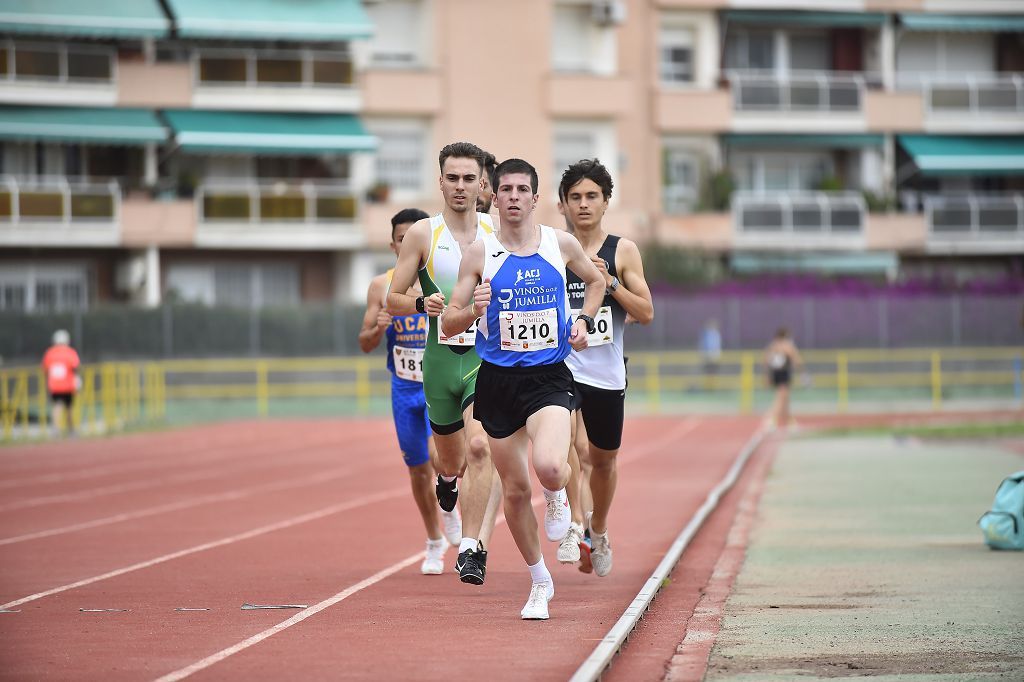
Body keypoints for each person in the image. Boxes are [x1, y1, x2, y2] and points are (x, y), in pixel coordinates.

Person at [442, 157, 605, 620]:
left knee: (551, 466)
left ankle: (556, 495)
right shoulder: (479, 253)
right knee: (514, 490)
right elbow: (449, 321)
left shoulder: (561, 243)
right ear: (493, 198)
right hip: (497, 382)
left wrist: (583, 320)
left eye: (522, 190)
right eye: (505, 189)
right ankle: (539, 581)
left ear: (535, 198)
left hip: (548, 377)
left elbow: (595, 283)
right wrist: (472, 311)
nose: (513, 196)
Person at [386, 142, 503, 586]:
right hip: (438, 363)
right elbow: (392, 300)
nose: (460, 187)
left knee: (480, 447)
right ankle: (449, 484)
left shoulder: (498, 232)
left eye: (468, 178)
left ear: (482, 184)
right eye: (452, 178)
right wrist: (420, 301)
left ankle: (472, 548)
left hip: (484, 357)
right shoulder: (421, 234)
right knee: (450, 460)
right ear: (440, 181)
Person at [556, 159, 655, 578]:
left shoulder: (623, 250)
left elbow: (646, 311)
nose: (583, 205)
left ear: (605, 202)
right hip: (561, 366)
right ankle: (574, 525)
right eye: (575, 197)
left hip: (607, 373)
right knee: (566, 447)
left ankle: (598, 527)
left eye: (591, 196)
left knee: (603, 460)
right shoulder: (552, 248)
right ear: (561, 205)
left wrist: (610, 283)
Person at [359, 208, 463, 575]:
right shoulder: (382, 287)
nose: (408, 244)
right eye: (401, 239)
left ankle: (449, 500)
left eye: (413, 237)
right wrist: (378, 328)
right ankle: (434, 540)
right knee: (418, 469)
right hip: (404, 388)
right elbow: (365, 341)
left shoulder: (445, 279)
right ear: (393, 245)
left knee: (444, 457)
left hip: (439, 382)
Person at [41, 329, 80, 437]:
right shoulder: (70, 352)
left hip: (54, 385)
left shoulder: (50, 353)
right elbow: (75, 368)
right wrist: (77, 382)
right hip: (68, 385)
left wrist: (47, 384)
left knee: (56, 406)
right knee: (69, 407)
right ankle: (71, 430)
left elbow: (45, 369)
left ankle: (55, 429)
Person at [765, 327, 803, 431]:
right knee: (781, 397)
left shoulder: (773, 345)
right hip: (783, 373)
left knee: (785, 398)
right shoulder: (787, 345)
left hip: (775, 373)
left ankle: (790, 421)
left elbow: (767, 360)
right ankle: (772, 419)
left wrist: (767, 376)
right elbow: (796, 359)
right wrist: (801, 370)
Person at [699, 319, 722, 390]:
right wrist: (703, 354)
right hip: (708, 355)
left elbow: (717, 345)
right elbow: (703, 345)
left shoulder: (717, 334)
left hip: (715, 356)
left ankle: (713, 386)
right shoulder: (706, 334)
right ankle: (708, 387)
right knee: (708, 371)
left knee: (714, 372)